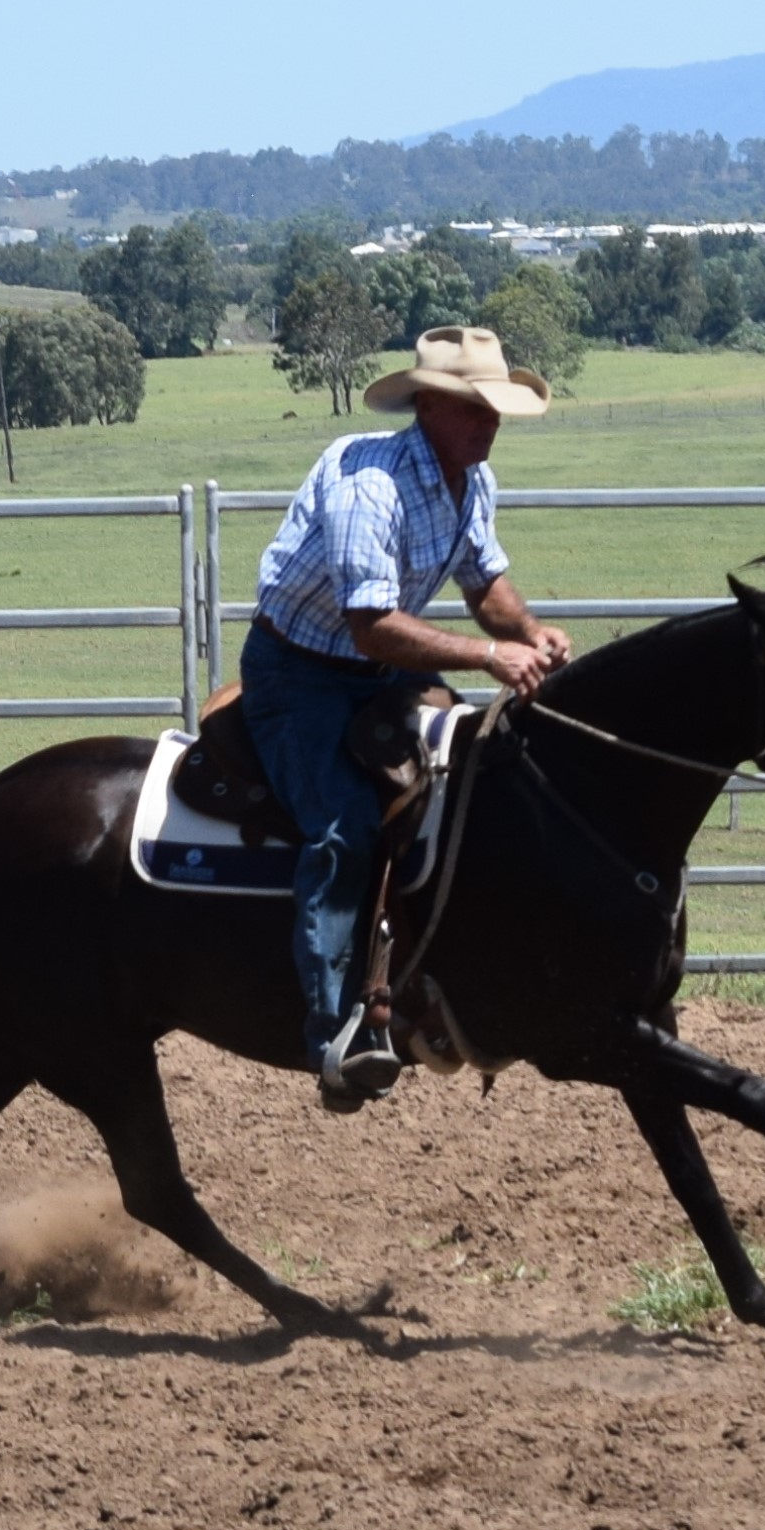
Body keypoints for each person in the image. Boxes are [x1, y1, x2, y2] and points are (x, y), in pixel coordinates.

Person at [244, 325, 572, 1107]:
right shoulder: (371, 486)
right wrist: (488, 657)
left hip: (379, 670)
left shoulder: (470, 480)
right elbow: (371, 624)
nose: (489, 423)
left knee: (477, 778)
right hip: (300, 676)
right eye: (473, 408)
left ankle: (446, 980)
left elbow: (485, 582)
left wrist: (529, 632)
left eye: (494, 409)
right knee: (342, 829)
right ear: (427, 406)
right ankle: (333, 1035)